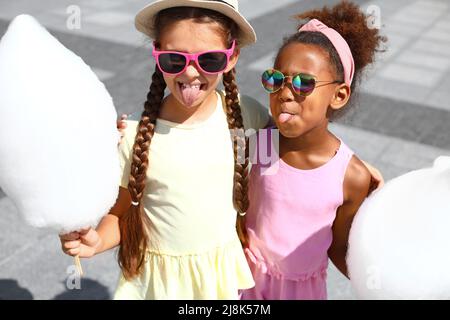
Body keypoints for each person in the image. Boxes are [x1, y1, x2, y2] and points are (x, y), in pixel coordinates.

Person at [59, 0, 272, 299]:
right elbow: (119, 214)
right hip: (159, 288)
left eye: (209, 60)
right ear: (157, 53)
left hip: (220, 286)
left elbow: (280, 168)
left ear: (232, 56)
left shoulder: (247, 115)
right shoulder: (134, 136)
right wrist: (95, 241)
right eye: (175, 59)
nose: (191, 74)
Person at [239, 1, 387, 300]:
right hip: (243, 284)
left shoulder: (350, 176)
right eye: (275, 79)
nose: (285, 93)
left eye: (304, 83)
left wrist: (382, 285)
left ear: (339, 94)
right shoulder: (264, 143)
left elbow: (339, 247)